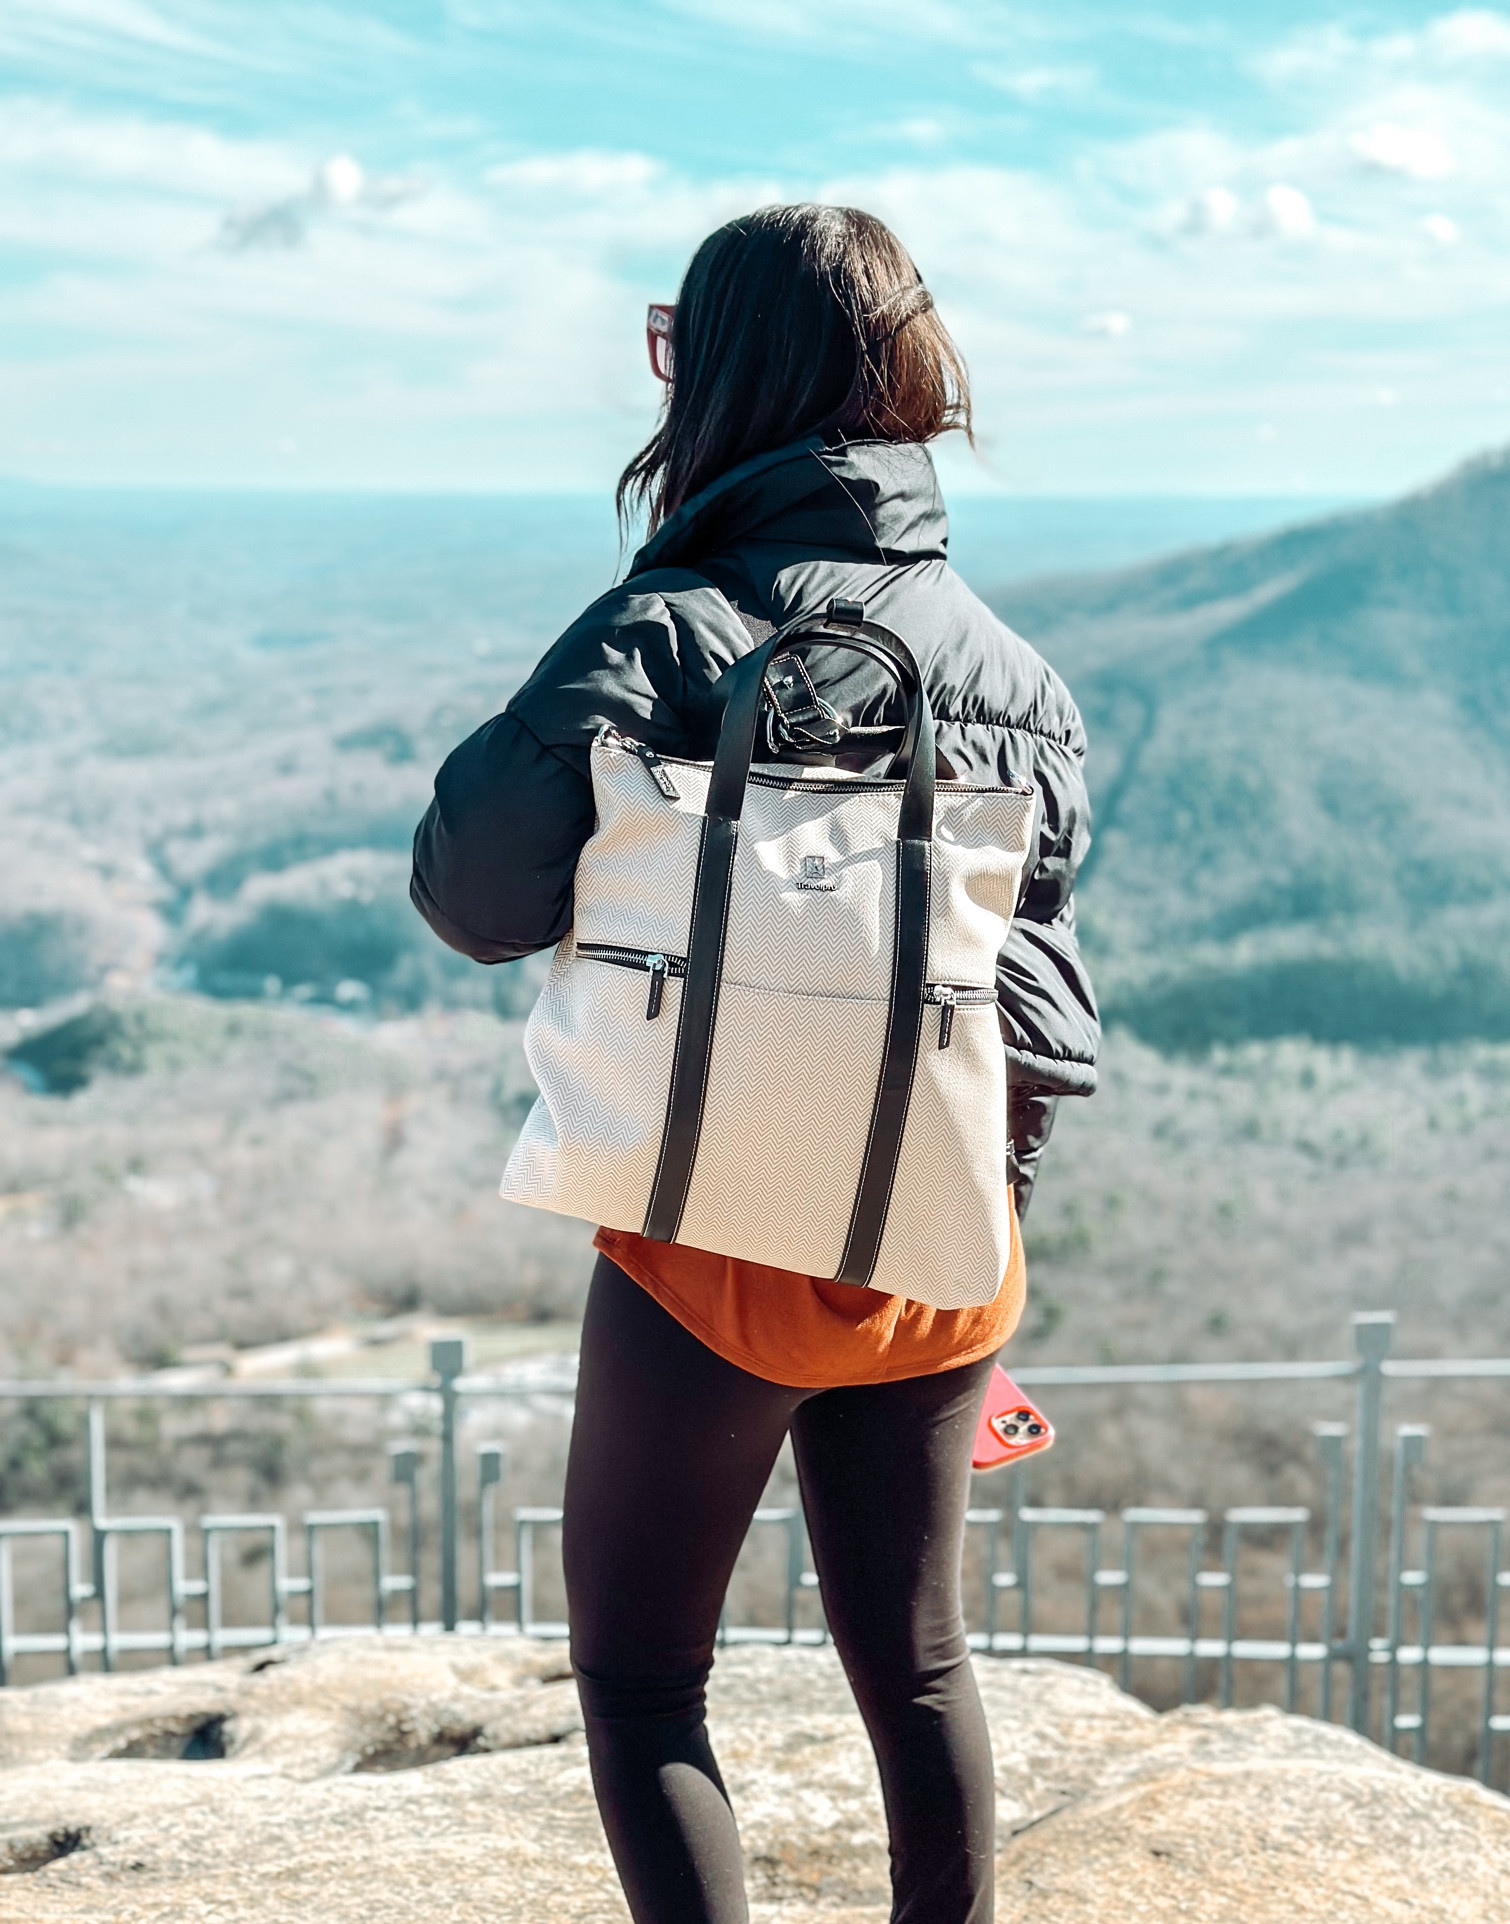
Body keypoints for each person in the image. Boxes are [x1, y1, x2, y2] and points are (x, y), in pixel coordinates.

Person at [411, 203, 1099, 1924]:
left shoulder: (664, 628)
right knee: (922, 1669)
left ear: (708, 375)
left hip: (707, 1247)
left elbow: (478, 899)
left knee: (647, 1686)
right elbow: (1031, 1000)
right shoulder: (1018, 672)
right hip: (943, 1251)